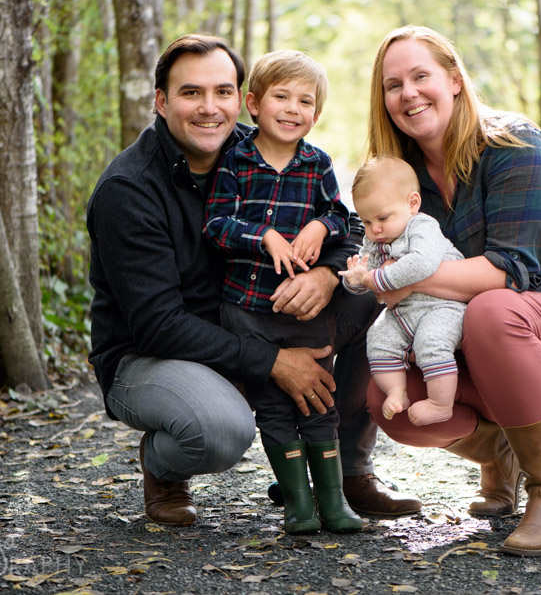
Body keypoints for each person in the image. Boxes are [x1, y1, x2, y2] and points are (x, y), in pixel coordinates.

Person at [86, 34, 421, 528]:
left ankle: (346, 471)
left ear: (240, 99)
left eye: (222, 92)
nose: (209, 108)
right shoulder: (128, 191)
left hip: (257, 319)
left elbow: (354, 227)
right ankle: (163, 466)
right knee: (219, 429)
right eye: (190, 93)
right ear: (161, 101)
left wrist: (328, 277)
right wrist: (274, 363)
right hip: (154, 354)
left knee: (371, 293)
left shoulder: (262, 145)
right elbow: (158, 325)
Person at [364, 25, 541, 556]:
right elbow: (374, 268)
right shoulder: (400, 179)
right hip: (481, 344)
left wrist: (399, 279)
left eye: (422, 76)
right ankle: (503, 448)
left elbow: (507, 271)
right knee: (386, 396)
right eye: (393, 85)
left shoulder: (514, 144)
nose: (409, 93)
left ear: (455, 80)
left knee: (492, 308)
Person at [203, 50, 361, 534]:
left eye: (306, 101)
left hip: (304, 312)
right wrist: (265, 236)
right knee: (273, 407)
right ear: (253, 103)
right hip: (248, 309)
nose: (294, 109)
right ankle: (297, 504)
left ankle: (333, 503)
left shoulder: (317, 164)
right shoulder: (235, 161)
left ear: (317, 114)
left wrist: (319, 224)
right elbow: (215, 224)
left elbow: (342, 216)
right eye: (282, 97)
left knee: (318, 402)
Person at [338, 157, 465, 427]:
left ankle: (440, 404)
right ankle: (397, 390)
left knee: (432, 343)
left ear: (412, 203)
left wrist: (375, 278)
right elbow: (367, 274)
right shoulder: (375, 238)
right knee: (378, 337)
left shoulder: (422, 227)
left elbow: (421, 264)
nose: (375, 229)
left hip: (442, 306)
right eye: (367, 221)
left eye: (383, 218)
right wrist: (355, 279)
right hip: (403, 313)